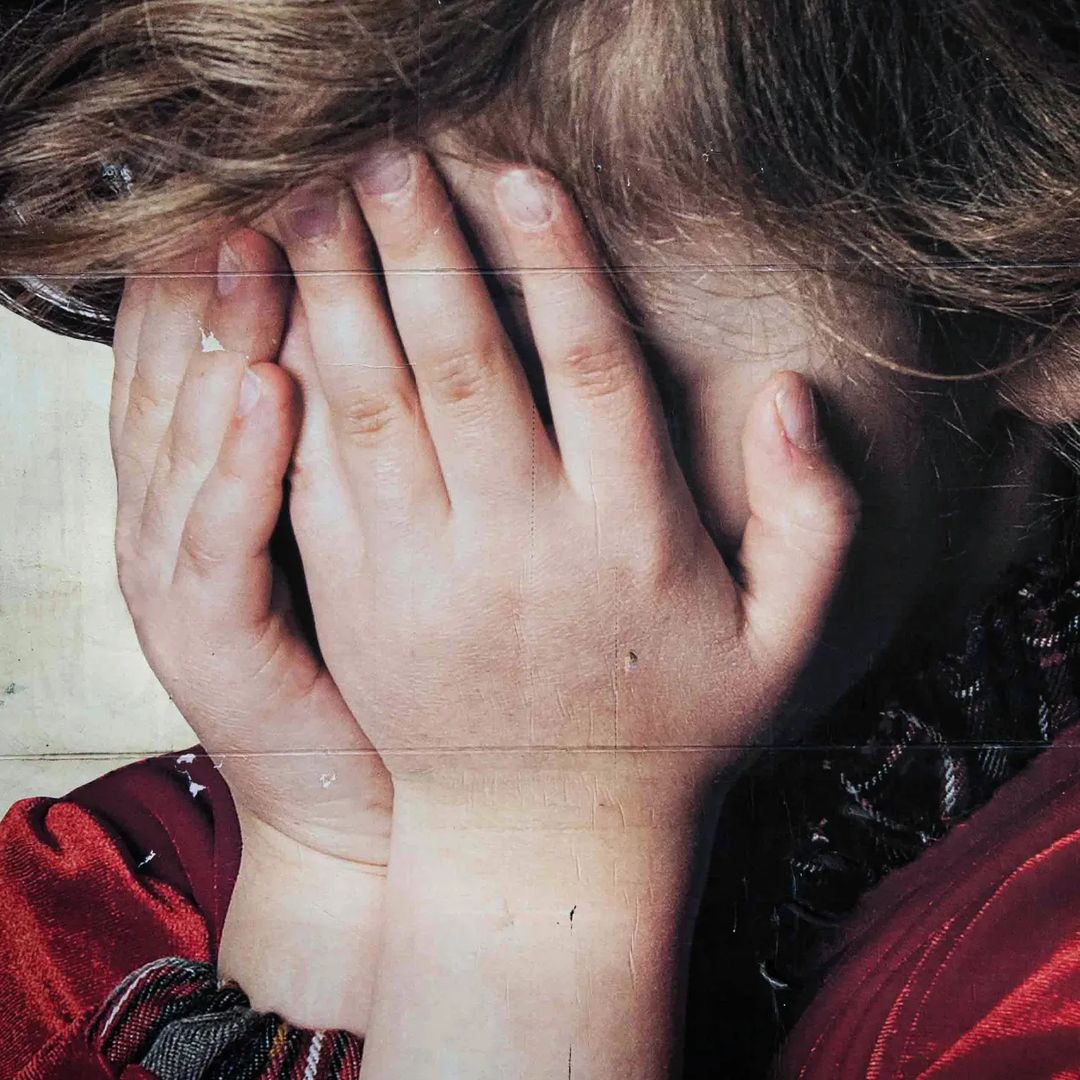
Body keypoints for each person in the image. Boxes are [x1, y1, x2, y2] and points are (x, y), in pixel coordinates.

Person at [0, 0, 1078, 1076]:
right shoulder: (119, 895)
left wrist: (537, 840)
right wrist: (330, 861)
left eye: (487, 360)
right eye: (268, 317)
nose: (346, 478)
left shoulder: (1043, 975)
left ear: (1033, 296)